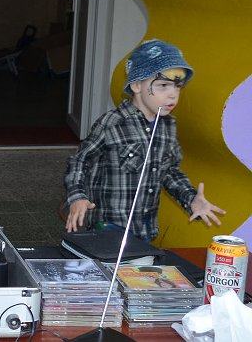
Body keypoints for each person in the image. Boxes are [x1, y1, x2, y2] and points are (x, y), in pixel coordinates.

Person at [64, 39, 225, 241]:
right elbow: (79, 161)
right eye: (163, 85)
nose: (173, 95)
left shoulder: (168, 125)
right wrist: (77, 197)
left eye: (177, 87)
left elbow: (169, 171)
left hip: (144, 231)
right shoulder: (112, 123)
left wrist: (191, 199)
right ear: (137, 85)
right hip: (107, 228)